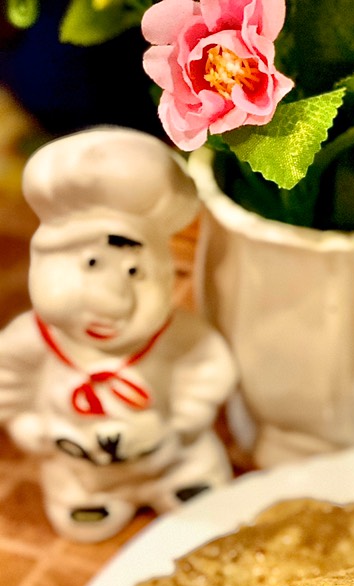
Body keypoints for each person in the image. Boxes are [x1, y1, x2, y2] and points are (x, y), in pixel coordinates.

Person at [0, 125, 237, 541]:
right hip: (81, 462)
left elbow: (206, 365)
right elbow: (9, 382)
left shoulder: (172, 334)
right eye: (91, 264)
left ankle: (181, 482)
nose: (114, 302)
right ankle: (89, 499)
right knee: (76, 483)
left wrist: (186, 418)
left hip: (167, 450)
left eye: (135, 273)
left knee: (195, 464)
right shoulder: (32, 341)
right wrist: (27, 423)